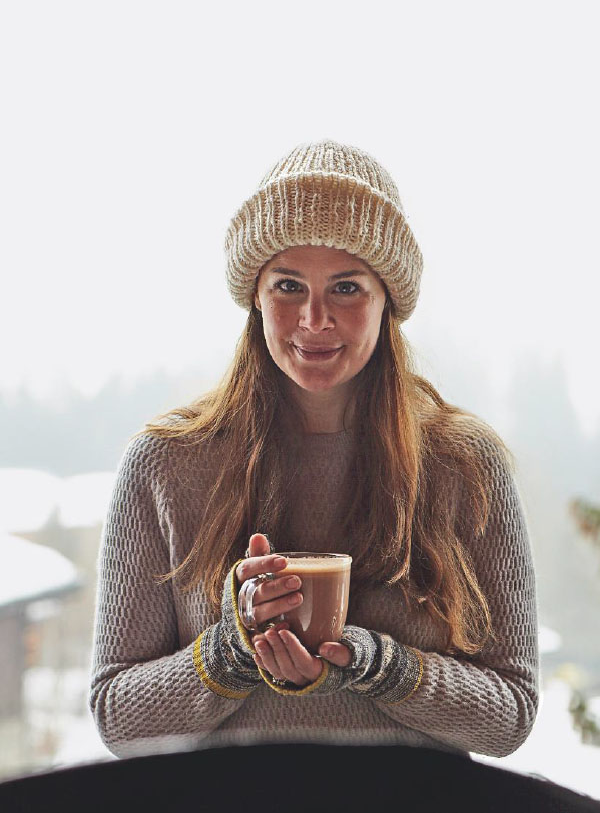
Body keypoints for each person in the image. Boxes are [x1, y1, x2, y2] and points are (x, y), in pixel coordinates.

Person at [89, 139, 539, 760]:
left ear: (388, 302)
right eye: (289, 285)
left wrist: (378, 665)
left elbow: (511, 715)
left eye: (347, 287)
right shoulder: (167, 463)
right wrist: (233, 651)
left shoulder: (464, 465)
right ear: (255, 296)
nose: (315, 318)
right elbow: (117, 717)